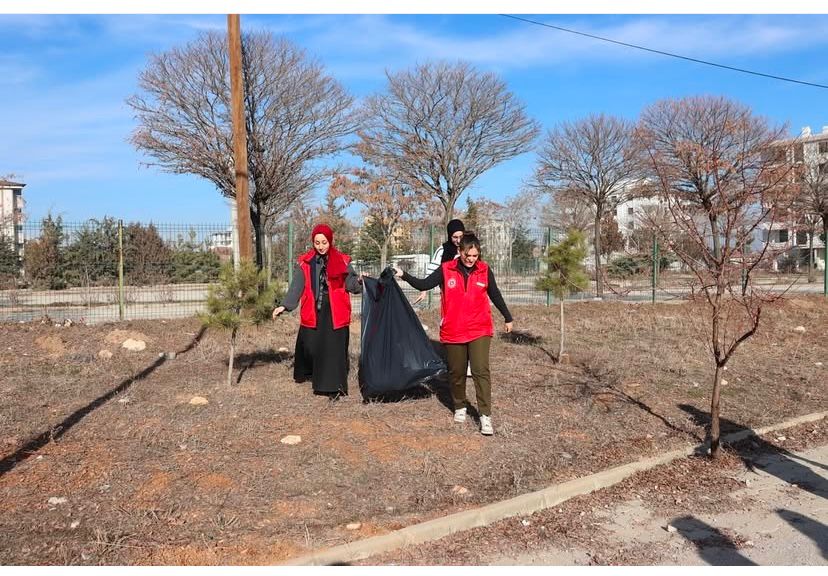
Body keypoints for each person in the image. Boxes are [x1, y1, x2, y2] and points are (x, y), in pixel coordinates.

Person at [394, 233, 513, 435]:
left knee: (480, 370)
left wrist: (507, 317)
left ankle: (485, 415)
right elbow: (424, 284)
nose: (471, 259)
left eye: (475, 255)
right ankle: (459, 406)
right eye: (468, 255)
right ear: (460, 251)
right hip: (454, 329)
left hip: (479, 328)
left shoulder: (484, 270)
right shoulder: (446, 269)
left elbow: (495, 293)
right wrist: (403, 274)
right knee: (456, 372)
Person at [273, 224, 362, 399]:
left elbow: (350, 283)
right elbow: (297, 286)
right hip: (314, 309)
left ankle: (335, 388)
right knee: (312, 346)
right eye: (317, 242)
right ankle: (311, 373)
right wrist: (284, 305)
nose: (321, 246)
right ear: (313, 242)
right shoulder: (306, 262)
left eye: (324, 242)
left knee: (334, 349)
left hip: (336, 311)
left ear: (330, 241)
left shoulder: (343, 261)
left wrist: (359, 281)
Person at [413, 218, 465, 305]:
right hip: (449, 293)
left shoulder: (469, 248)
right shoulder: (443, 250)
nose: (458, 240)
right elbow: (432, 269)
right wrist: (424, 289)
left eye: (461, 237)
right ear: (449, 235)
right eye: (455, 237)